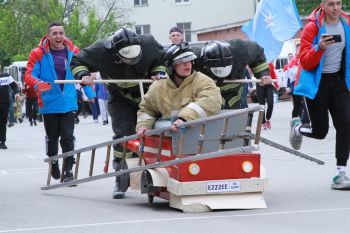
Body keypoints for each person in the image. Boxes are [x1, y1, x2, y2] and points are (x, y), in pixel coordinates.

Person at [70, 27, 166, 199]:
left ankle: (157, 172)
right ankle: (121, 175)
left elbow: (162, 59)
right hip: (120, 96)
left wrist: (158, 72)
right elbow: (77, 61)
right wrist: (84, 75)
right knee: (123, 135)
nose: (133, 62)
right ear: (115, 53)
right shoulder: (100, 50)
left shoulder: (149, 43)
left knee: (153, 131)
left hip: (148, 94)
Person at [24, 21, 95, 182]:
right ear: (48, 36)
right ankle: (53, 160)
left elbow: (83, 74)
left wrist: (89, 92)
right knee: (52, 137)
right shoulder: (37, 53)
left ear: (64, 35)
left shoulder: (74, 52)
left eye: (61, 33)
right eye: (54, 33)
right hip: (48, 103)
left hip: (69, 101)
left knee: (68, 136)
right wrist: (37, 83)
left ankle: (68, 169)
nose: (58, 36)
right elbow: (28, 75)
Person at [290, 0, 350, 190]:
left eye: (339, 3)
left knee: (346, 124)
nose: (336, 8)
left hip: (339, 83)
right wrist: (319, 47)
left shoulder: (346, 24)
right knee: (320, 131)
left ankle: (340, 173)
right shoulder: (312, 27)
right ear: (322, 5)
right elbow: (305, 62)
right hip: (318, 85)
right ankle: (298, 128)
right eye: (331, 4)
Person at [136, 42, 222, 135]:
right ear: (171, 67)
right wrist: (143, 126)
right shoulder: (158, 86)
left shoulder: (203, 81)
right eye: (181, 61)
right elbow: (147, 109)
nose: (187, 64)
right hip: (167, 139)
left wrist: (184, 118)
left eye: (189, 60)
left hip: (198, 137)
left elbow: (211, 101)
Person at [192, 40, 273, 110]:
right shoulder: (194, 59)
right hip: (211, 96)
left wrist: (264, 74)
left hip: (236, 93)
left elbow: (257, 55)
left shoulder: (240, 50)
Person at [256, 63, 280, 130]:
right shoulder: (257, 63)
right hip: (260, 85)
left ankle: (267, 119)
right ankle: (263, 122)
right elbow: (253, 73)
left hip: (269, 85)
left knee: (271, 103)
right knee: (262, 105)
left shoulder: (270, 64)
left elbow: (273, 75)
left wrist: (276, 85)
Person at [0, 72, 19, 149]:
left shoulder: (6, 76)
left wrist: (17, 93)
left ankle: (2, 142)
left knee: (3, 123)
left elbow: (14, 85)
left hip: (4, 103)